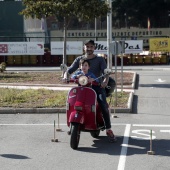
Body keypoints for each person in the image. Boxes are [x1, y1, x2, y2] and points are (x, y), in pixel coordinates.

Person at [64, 39, 117, 142]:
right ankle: (73, 124)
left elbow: (105, 72)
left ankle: (108, 129)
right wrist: (66, 76)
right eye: (87, 47)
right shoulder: (80, 60)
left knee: (103, 105)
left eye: (91, 47)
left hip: (96, 87)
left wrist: (105, 82)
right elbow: (69, 70)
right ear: (84, 48)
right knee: (72, 102)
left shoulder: (100, 60)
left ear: (94, 48)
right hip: (81, 87)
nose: (89, 49)